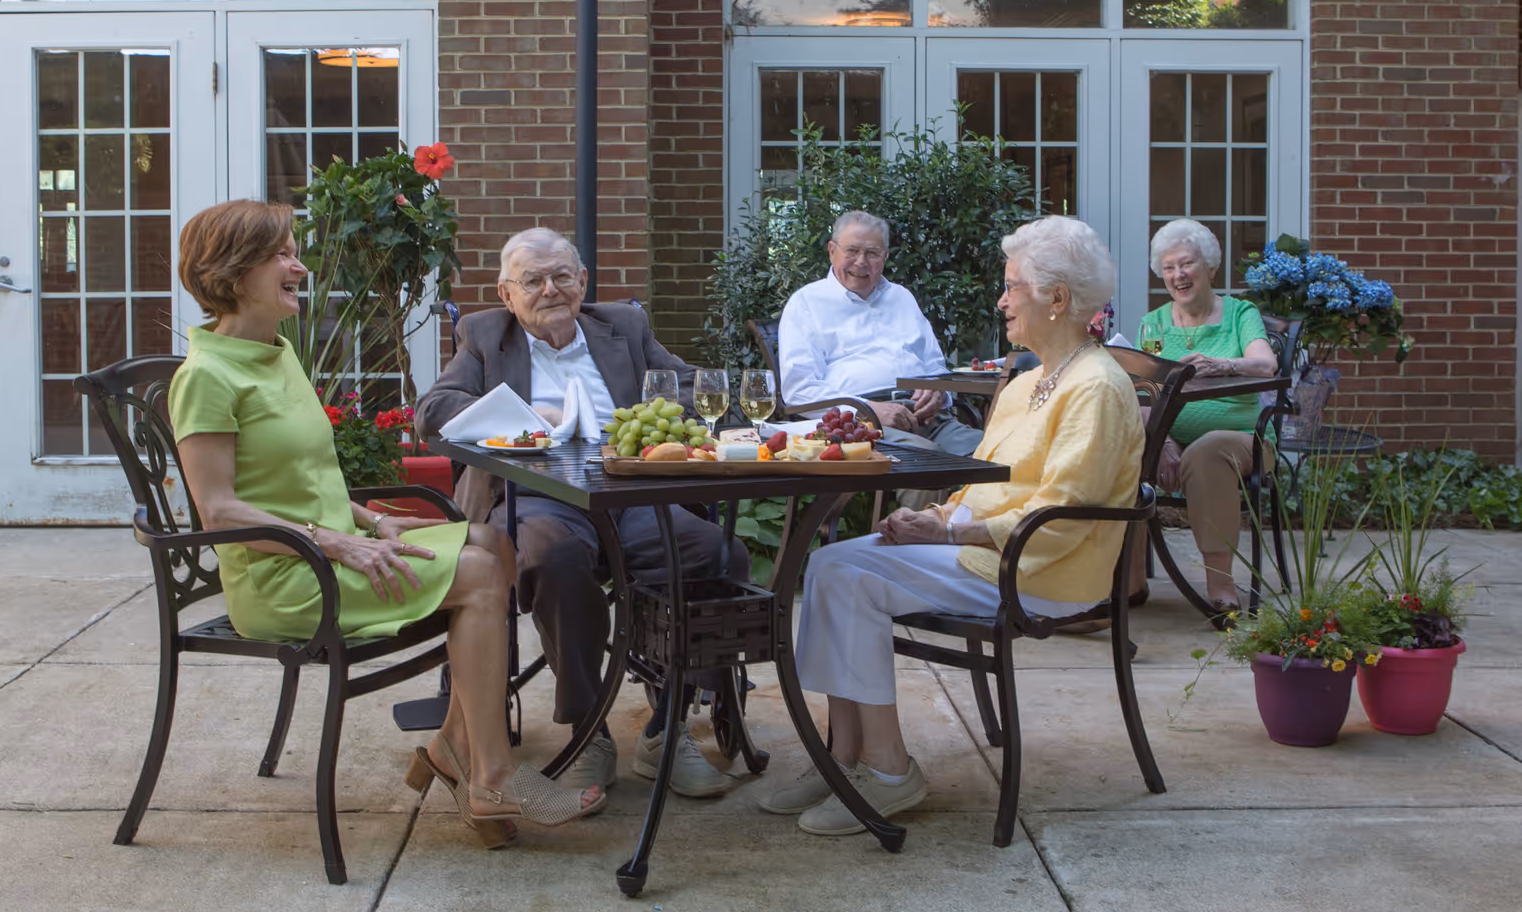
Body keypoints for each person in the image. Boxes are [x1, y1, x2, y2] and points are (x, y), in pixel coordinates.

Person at [167, 200, 603, 845]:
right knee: (480, 572)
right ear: (234, 272)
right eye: (282, 255)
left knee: (492, 539)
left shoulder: (275, 352)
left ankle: (455, 745)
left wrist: (371, 519)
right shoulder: (207, 376)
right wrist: (338, 543)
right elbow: (219, 510)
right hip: (284, 577)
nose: (299, 266)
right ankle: (490, 775)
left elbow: (302, 479)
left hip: (325, 549)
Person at [760, 215, 1144, 834]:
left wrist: (950, 533)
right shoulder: (1025, 384)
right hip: (991, 551)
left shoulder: (1095, 386)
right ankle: (844, 757)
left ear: (1058, 299)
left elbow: (1063, 512)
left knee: (847, 575)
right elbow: (982, 486)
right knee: (831, 564)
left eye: (1012, 285)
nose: (1002, 299)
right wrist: (934, 515)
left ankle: (888, 771)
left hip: (1043, 567)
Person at [417, 227, 750, 800]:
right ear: (507, 293)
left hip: (630, 491)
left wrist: (662, 417)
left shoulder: (622, 327)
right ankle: (587, 727)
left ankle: (668, 727)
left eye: (562, 276)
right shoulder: (483, 336)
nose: (551, 289)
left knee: (717, 553)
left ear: (583, 282)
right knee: (552, 557)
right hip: (537, 494)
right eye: (534, 280)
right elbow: (433, 411)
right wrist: (523, 413)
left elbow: (696, 388)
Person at [1137, 218, 1280, 620]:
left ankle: (1220, 583)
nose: (1178, 275)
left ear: (1211, 268)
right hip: (1171, 439)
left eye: (1187, 264)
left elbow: (1265, 363)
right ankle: (1128, 583)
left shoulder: (1239, 314)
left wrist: (1223, 364)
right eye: (1168, 268)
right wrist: (1159, 441)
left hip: (1241, 442)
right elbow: (1144, 391)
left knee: (1205, 451)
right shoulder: (1153, 324)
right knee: (1122, 450)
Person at [776, 210, 984, 459]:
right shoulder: (806, 303)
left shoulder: (901, 297)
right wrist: (866, 411)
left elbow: (935, 368)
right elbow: (799, 391)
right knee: (927, 459)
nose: (861, 261)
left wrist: (938, 392)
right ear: (832, 251)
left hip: (930, 419)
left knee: (999, 454)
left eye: (872, 253)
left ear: (885, 256)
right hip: (864, 427)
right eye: (852, 251)